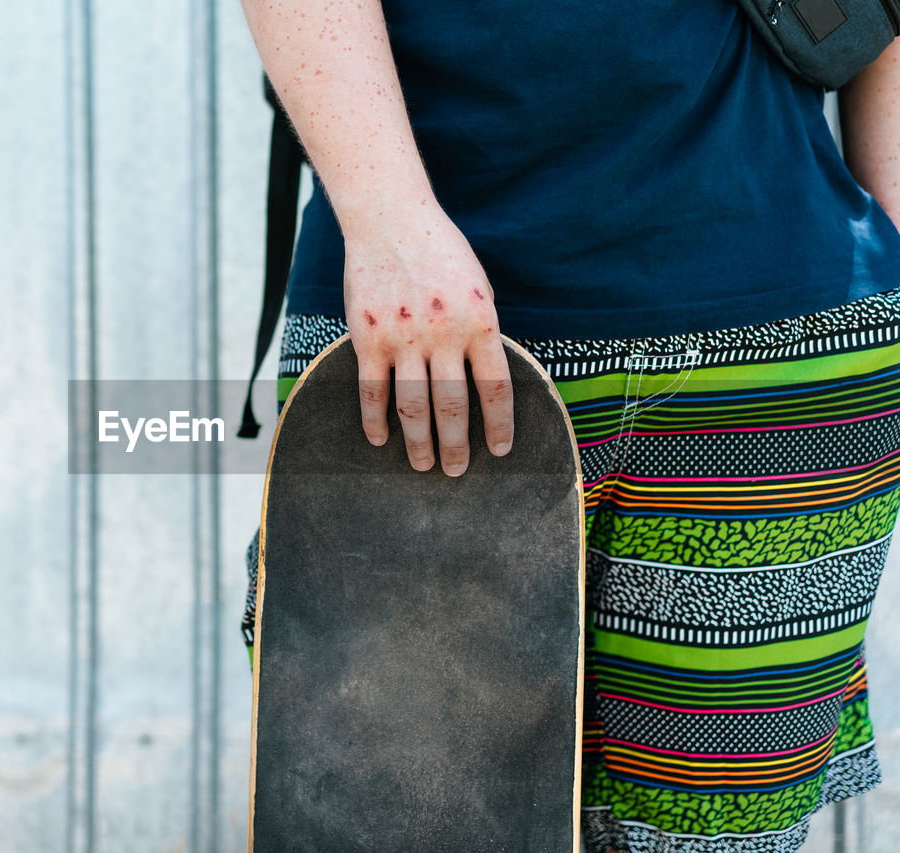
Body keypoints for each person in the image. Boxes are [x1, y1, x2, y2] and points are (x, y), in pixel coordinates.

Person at [236, 1, 900, 850]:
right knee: (394, 822)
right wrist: (386, 218)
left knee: (717, 837)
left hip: (785, 350)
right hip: (427, 339)